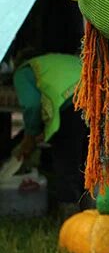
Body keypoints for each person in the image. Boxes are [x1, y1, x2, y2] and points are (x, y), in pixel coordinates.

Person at [13, 52, 88, 214]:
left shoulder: (22, 72)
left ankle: (70, 214)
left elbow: (32, 105)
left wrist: (30, 137)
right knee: (88, 161)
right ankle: (92, 210)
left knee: (66, 162)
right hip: (98, 96)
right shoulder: (49, 62)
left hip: (72, 103)